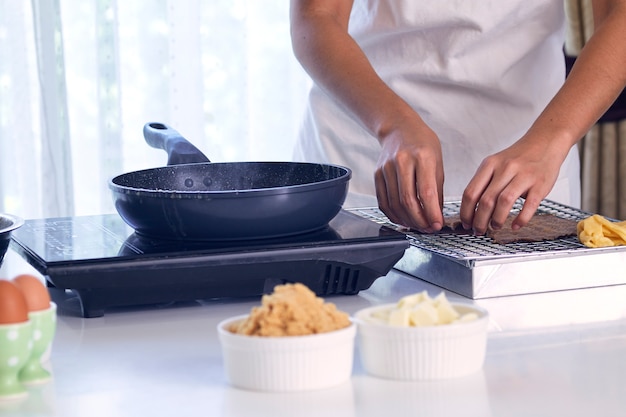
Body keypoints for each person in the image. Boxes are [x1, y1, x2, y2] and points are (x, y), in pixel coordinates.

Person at [289, 0, 626, 235]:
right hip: (366, 146)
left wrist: (552, 140)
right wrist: (392, 125)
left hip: (530, 151)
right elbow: (317, 16)